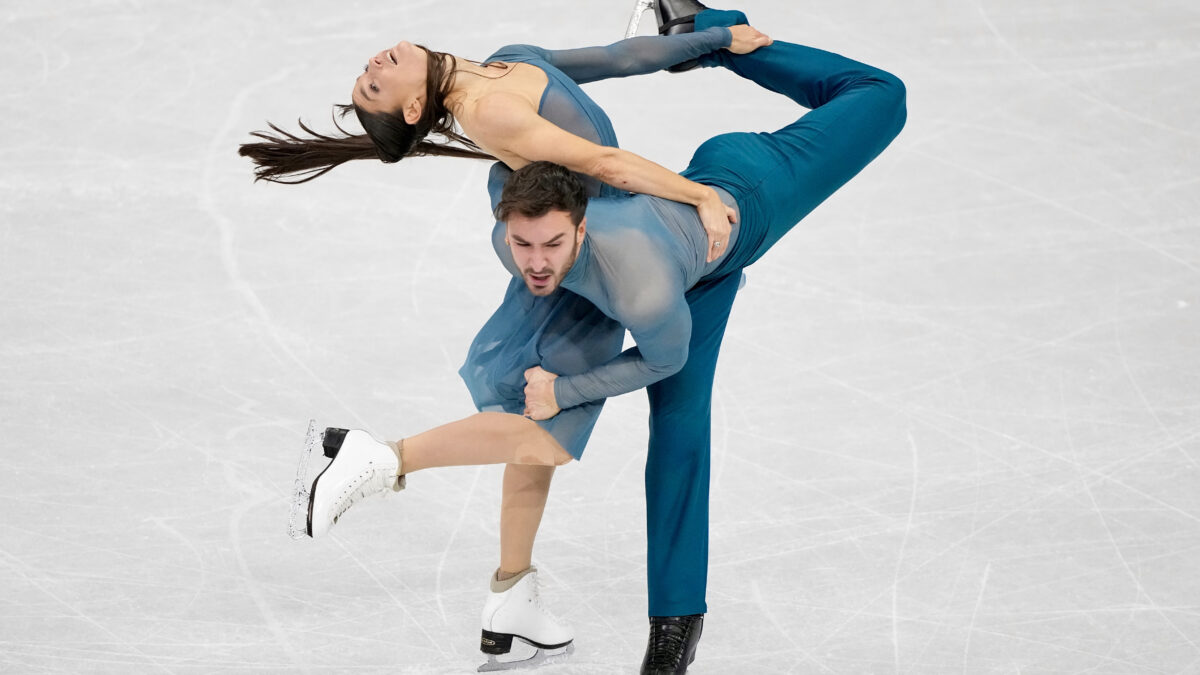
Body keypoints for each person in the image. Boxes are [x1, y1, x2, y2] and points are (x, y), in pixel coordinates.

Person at [243, 6, 773, 671]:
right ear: (415, 108)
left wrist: (715, 38)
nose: (372, 65)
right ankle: (381, 459)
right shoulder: (488, 108)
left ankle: (510, 601)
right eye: (373, 85)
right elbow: (605, 164)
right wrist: (698, 196)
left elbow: (617, 58)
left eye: (367, 74)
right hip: (589, 261)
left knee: (535, 434)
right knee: (543, 437)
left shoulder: (501, 62)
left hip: (592, 243)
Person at [471, 7, 907, 672]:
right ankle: (675, 624)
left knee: (883, 96)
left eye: (548, 244)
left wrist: (716, 39)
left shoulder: (634, 282)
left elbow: (662, 353)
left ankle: (705, 28)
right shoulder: (521, 226)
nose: (533, 260)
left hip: (741, 194)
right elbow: (531, 151)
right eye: (524, 244)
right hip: (691, 271)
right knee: (679, 427)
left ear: (578, 228)